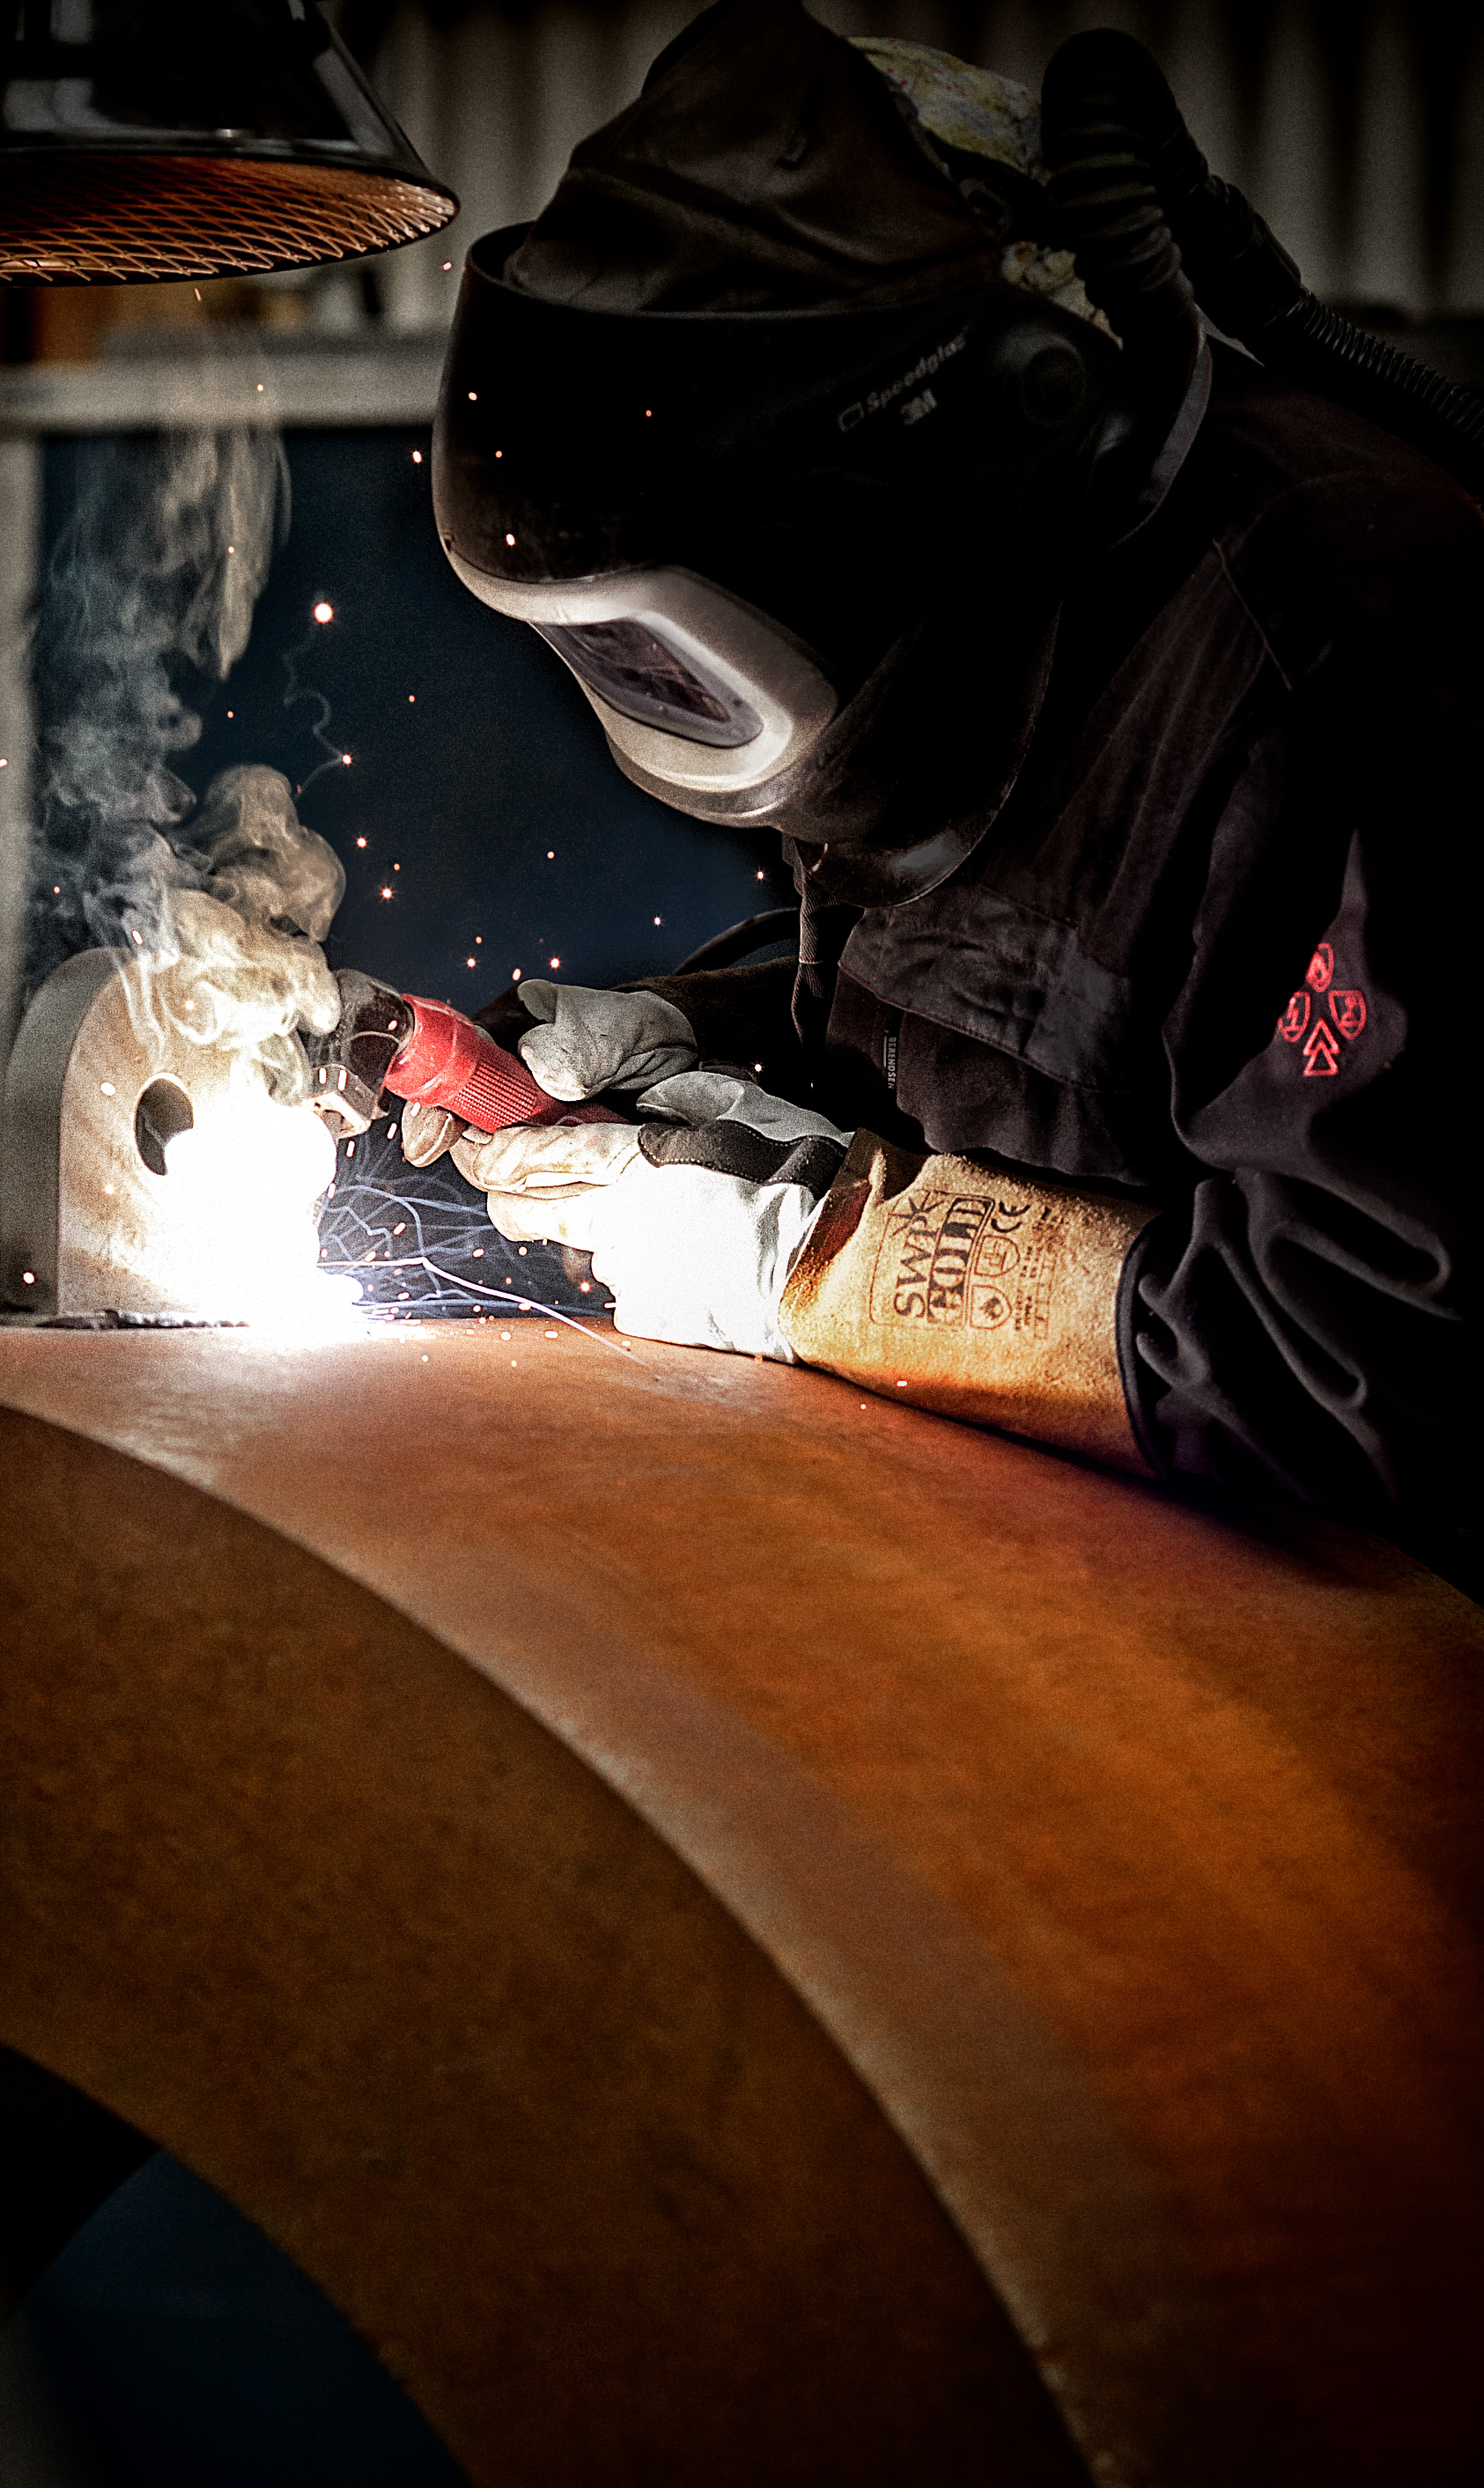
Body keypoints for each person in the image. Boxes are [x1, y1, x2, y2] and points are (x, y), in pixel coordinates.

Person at [319, 0, 1479, 1568]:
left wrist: (818, 1261)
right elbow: (1004, 1020)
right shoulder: (970, 652)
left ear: (986, 446)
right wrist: (699, 1054)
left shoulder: (1353, 651)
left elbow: (1380, 1354)